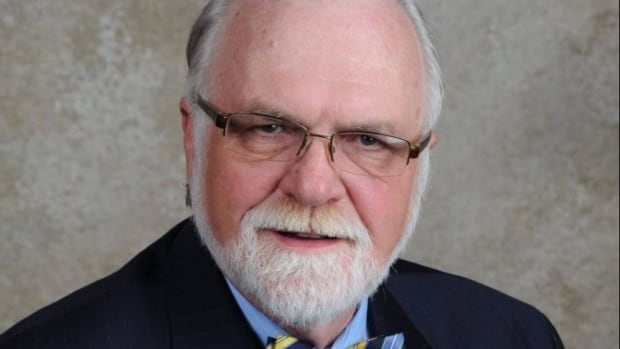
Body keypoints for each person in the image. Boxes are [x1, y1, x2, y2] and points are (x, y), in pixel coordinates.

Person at [0, 1, 564, 348]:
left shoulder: (512, 336)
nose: (314, 186)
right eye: (267, 129)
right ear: (192, 138)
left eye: (368, 140)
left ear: (419, 163)